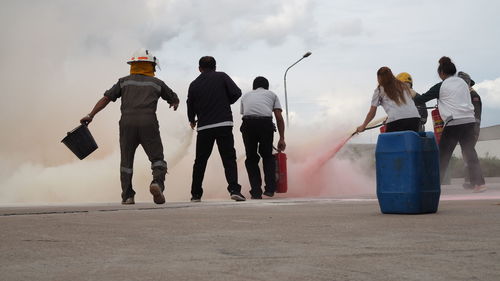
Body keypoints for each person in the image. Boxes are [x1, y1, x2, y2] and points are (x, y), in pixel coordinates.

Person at [80, 48, 180, 205]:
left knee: (126, 161)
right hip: (149, 123)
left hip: (127, 124)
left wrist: (90, 115)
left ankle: (127, 196)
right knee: (157, 159)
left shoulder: (124, 81)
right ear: (151, 66)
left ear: (133, 64)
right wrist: (174, 103)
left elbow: (106, 98)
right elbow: (174, 98)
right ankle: (157, 183)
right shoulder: (157, 83)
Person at [415, 57, 486, 193]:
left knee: (442, 156)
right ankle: (479, 184)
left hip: (454, 123)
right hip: (469, 121)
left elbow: (421, 99)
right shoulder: (463, 83)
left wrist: (411, 94)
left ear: (441, 73)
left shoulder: (441, 86)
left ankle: (435, 185)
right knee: (469, 152)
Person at [187, 56, 245, 202]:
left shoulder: (194, 84)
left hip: (204, 126)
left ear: (199, 68)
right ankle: (234, 190)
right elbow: (237, 92)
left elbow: (190, 104)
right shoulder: (222, 76)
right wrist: (226, 102)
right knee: (229, 159)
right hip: (224, 124)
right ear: (215, 67)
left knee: (200, 161)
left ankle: (195, 194)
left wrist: (191, 119)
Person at [240, 76, 286, 199]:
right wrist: (282, 138)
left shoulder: (245, 96)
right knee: (267, 156)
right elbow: (279, 117)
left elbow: (246, 113)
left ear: (253, 87)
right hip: (265, 124)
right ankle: (270, 189)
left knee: (251, 158)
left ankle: (256, 192)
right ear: (267, 87)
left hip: (248, 124)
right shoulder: (272, 95)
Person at [357, 67, 421, 133]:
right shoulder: (403, 86)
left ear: (379, 78)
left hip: (397, 121)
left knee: (388, 141)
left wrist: (363, 126)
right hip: (415, 119)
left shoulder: (379, 90)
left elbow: (372, 113)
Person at [457, 71, 482, 189]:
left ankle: (477, 182)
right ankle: (472, 181)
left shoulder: (473, 96)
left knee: (469, 154)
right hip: (467, 129)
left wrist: (474, 131)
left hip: (472, 129)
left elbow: (476, 115)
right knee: (467, 155)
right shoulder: (467, 96)